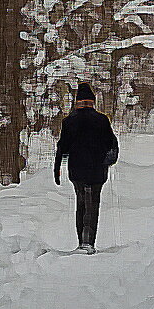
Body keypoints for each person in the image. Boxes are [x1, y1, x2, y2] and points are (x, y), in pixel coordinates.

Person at [54, 82, 119, 253]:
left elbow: (63, 148)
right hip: (97, 170)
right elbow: (112, 144)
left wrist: (57, 170)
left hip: (77, 170)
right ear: (92, 101)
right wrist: (109, 159)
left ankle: (82, 241)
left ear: (77, 102)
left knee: (81, 203)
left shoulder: (69, 122)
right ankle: (89, 241)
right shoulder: (102, 120)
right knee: (93, 204)